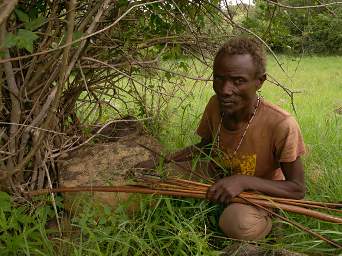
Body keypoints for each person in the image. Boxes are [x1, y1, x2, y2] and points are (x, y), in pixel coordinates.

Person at [136, 36, 306, 241]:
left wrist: (242, 181)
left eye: (238, 81)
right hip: (217, 177)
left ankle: (271, 220)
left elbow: (296, 189)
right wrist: (161, 160)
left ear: (259, 81)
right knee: (158, 178)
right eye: (218, 78)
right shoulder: (216, 105)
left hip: (257, 192)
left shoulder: (281, 124)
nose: (225, 90)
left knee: (237, 224)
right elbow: (205, 148)